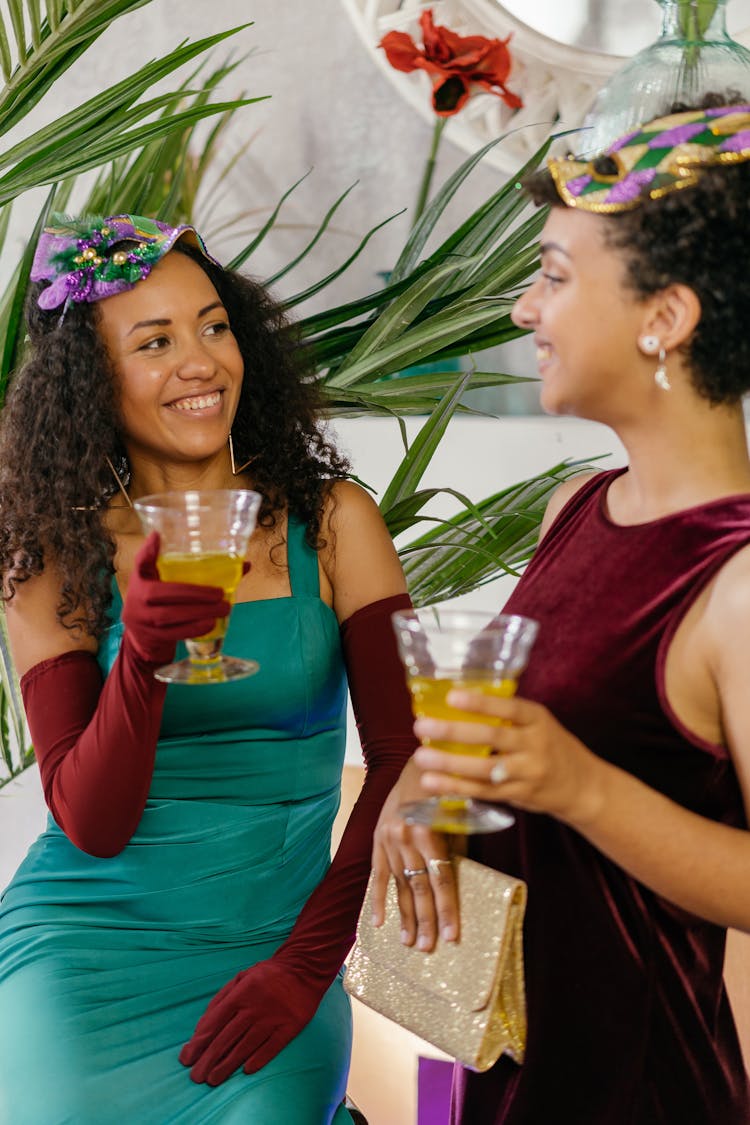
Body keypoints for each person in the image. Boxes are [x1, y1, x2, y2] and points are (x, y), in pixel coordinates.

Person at [371, 100, 750, 1124]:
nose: (521, 311)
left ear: (664, 318)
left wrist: (580, 788)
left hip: (641, 1091)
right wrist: (417, 786)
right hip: (509, 1070)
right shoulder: (572, 509)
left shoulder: (741, 580)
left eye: (552, 274)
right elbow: (506, 726)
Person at [0, 213, 417, 1124]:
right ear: (92, 381)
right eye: (156, 341)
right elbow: (92, 822)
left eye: (215, 326)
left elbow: (405, 759)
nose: (202, 361)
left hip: (276, 953)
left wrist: (308, 968)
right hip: (83, 957)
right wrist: (141, 661)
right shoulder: (50, 558)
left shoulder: (336, 522)